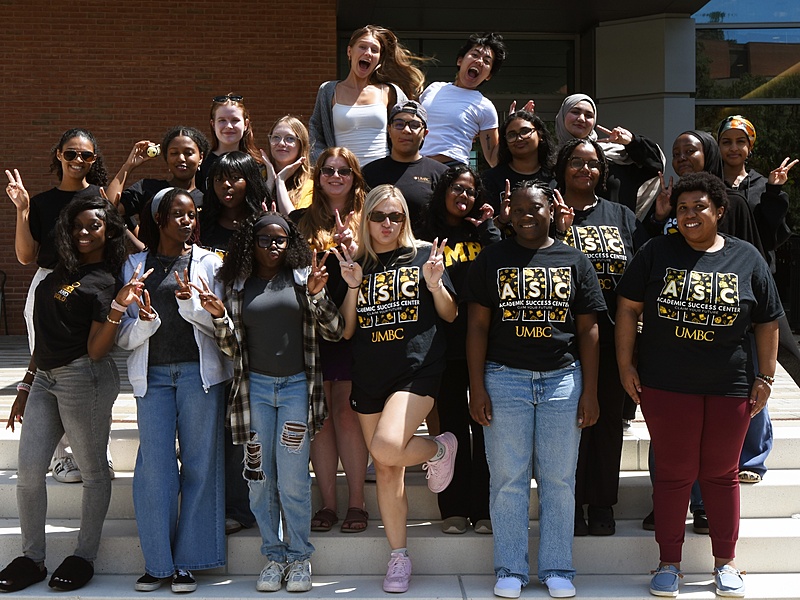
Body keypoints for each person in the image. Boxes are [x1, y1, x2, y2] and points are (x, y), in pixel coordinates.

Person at [616, 171, 782, 598]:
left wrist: (766, 374)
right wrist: (624, 364)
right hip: (667, 384)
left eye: (700, 207)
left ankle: (726, 563)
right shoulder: (656, 251)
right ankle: (668, 563)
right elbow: (629, 309)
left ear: (719, 211)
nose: (690, 215)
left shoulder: (746, 258)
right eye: (683, 207)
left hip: (730, 384)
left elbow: (766, 322)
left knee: (721, 474)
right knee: (673, 474)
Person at [465, 180, 604, 599]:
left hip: (562, 379)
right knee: (508, 478)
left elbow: (589, 329)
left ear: (552, 209)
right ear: (508, 213)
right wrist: (477, 386)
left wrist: (590, 391)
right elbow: (476, 326)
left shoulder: (574, 260)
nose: (527, 215)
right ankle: (510, 568)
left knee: (559, 478)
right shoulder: (492, 259)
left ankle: (558, 567)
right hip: (504, 377)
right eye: (518, 208)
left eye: (536, 207)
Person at [0, 196, 144, 592]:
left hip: (85, 379)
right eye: (77, 226)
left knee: (94, 472)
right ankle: (32, 558)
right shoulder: (61, 269)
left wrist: (117, 307)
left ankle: (84, 555)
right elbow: (44, 337)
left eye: (93, 226)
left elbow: (98, 350)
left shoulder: (106, 280)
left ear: (109, 231)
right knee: (29, 473)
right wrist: (26, 385)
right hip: (45, 378)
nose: (83, 232)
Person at [199, 211, 343, 593]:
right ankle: (273, 556)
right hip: (255, 393)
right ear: (251, 242)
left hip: (297, 389)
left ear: (290, 242)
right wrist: (218, 318)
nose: (273, 246)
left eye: (280, 239)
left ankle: (299, 559)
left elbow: (334, 331)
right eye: (264, 239)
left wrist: (316, 295)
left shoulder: (300, 280)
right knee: (260, 479)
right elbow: (230, 348)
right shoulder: (236, 286)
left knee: (294, 479)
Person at [333, 184, 459, 593]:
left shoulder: (424, 255)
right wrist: (352, 285)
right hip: (370, 374)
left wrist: (436, 283)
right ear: (365, 219)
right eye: (379, 216)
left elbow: (451, 314)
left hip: (416, 370)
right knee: (387, 471)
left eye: (396, 216)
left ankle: (440, 447)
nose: (387, 224)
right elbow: (348, 330)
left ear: (405, 219)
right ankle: (399, 557)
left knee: (385, 448)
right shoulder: (358, 264)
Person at [115, 188, 232, 593]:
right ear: (159, 220)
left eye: (192, 214)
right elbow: (124, 337)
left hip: (199, 376)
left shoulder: (210, 263)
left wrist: (190, 306)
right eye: (178, 215)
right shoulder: (134, 265)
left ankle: (189, 562)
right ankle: (158, 564)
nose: (188, 221)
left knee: (200, 465)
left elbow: (222, 324)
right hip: (154, 379)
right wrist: (145, 322)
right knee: (155, 470)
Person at [552, 139, 646, 537]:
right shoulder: (549, 214)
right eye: (576, 162)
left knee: (607, 422)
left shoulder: (622, 216)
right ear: (563, 168)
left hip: (613, 337)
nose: (585, 170)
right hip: (559, 339)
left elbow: (643, 269)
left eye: (593, 164)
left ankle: (603, 502)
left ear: (602, 173)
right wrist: (559, 232)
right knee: (567, 425)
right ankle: (568, 503)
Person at [5, 127, 110, 485]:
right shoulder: (42, 202)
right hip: (49, 287)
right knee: (53, 369)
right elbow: (25, 257)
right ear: (58, 155)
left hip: (89, 288)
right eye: (71, 153)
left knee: (90, 370)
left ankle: (95, 451)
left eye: (86, 155)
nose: (78, 160)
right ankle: (63, 456)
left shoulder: (99, 197)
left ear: (94, 160)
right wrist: (22, 210)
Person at [291, 147, 369, 535]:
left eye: (344, 170)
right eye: (327, 170)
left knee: (346, 412)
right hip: (311, 329)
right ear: (317, 176)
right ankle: (327, 504)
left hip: (357, 327)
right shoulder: (298, 221)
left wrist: (356, 250)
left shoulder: (372, 219)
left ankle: (357, 501)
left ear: (355, 176)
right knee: (320, 419)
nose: (335, 176)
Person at [419, 166, 500, 535]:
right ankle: (452, 508)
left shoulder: (481, 233)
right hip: (444, 346)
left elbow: (505, 268)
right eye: (456, 188)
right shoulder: (425, 234)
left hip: (487, 345)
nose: (463, 196)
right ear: (443, 192)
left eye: (470, 190)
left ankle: (484, 508)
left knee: (485, 427)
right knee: (451, 428)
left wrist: (488, 228)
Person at [309, 25, 425, 166]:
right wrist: (327, 166)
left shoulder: (390, 92)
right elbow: (315, 135)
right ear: (349, 51)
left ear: (379, 59)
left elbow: (411, 127)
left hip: (383, 177)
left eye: (374, 50)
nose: (368, 53)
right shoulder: (328, 90)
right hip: (343, 178)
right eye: (363, 47)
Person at [554, 93, 665, 218]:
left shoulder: (613, 156)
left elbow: (655, 166)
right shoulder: (549, 160)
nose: (581, 118)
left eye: (589, 115)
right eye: (575, 112)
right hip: (565, 232)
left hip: (614, 231)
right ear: (562, 115)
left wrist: (632, 142)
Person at [420, 32, 507, 168]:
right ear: (460, 61)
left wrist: (510, 126)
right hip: (417, 167)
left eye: (486, 61)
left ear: (488, 75)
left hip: (452, 170)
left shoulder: (485, 106)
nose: (479, 61)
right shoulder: (433, 88)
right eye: (475, 55)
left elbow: (493, 159)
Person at [362, 100, 448, 234]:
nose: (406, 130)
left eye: (414, 125)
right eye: (399, 124)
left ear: (425, 133)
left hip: (426, 252)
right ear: (389, 130)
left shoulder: (441, 174)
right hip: (380, 252)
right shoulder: (369, 173)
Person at [106, 126, 208, 230]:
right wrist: (128, 166)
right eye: (174, 153)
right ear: (166, 158)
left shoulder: (208, 200)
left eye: (188, 153)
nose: (181, 158)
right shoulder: (147, 189)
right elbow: (108, 210)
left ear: (201, 158)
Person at [482, 110, 556, 213]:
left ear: (540, 135)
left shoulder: (556, 176)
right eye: (512, 135)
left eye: (525, 131)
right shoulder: (491, 179)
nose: (519, 138)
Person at [200, 151, 270, 254]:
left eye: (235, 177)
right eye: (219, 179)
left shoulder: (262, 225)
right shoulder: (201, 223)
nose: (225, 185)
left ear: (251, 181)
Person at [197, 94, 261, 192]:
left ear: (246, 124)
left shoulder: (258, 165)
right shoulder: (202, 165)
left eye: (235, 120)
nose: (229, 126)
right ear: (213, 124)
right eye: (222, 120)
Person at [261, 116, 314, 214]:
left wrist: (280, 182)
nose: (281, 143)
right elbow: (251, 216)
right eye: (276, 137)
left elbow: (296, 223)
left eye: (290, 138)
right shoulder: (257, 177)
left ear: (301, 145)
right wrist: (270, 181)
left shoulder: (310, 187)